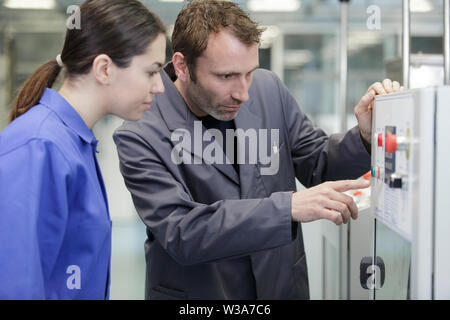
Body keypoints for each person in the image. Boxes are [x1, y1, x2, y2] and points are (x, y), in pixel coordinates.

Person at [113, 0, 401, 300]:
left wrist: (366, 137)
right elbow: (182, 232)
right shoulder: (141, 134)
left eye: (249, 72)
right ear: (183, 66)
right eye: (226, 76)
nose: (244, 93)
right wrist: (286, 208)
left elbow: (318, 162)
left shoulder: (268, 90)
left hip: (280, 286)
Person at [0, 0, 166, 299]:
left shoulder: (74, 143)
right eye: (151, 72)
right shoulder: (40, 147)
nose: (159, 87)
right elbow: (15, 286)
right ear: (104, 68)